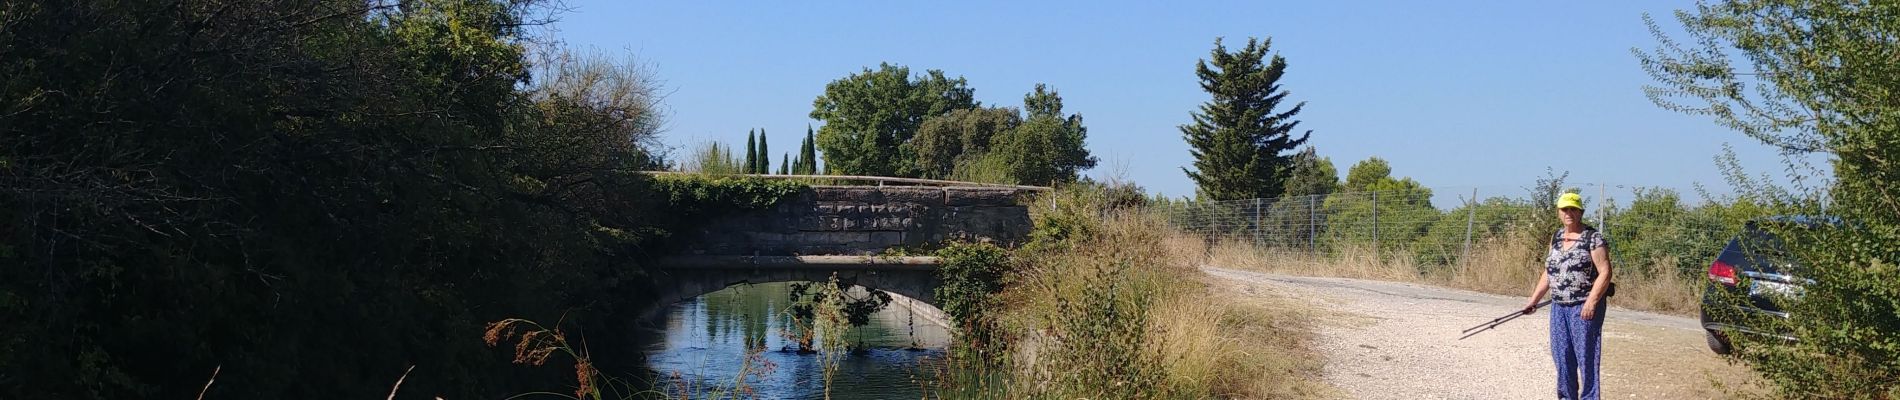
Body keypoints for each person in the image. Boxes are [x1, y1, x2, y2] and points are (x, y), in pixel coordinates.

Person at [1522, 192, 1613, 400]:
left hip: (1584, 307)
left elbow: (1605, 272)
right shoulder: (1556, 237)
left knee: (1586, 357)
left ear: (1580, 212)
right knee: (1562, 356)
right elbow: (1549, 271)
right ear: (1559, 212)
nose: (1569, 213)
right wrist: (1533, 300)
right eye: (1565, 209)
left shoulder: (1593, 238)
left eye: (1573, 209)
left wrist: (1591, 302)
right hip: (1558, 306)